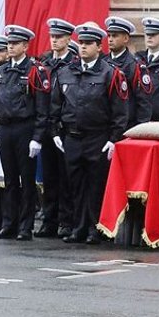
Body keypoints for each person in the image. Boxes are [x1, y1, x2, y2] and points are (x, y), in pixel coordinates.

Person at [49, 23, 128, 244]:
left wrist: (114, 139)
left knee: (95, 185)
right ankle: (78, 227)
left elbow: (120, 110)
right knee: (74, 184)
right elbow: (55, 105)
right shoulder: (66, 72)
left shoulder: (110, 73)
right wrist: (55, 131)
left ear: (98, 46)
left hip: (98, 137)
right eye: (81, 43)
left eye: (88, 43)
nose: (83, 47)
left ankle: (95, 228)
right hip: (72, 137)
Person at [0, 25, 50, 241]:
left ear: (25, 46)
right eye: (9, 43)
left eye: (15, 44)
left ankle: (25, 226)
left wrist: (37, 137)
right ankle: (8, 224)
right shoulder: (0, 71)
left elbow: (42, 108)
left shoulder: (35, 71)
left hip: (25, 128)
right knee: (9, 179)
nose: (10, 47)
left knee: (27, 180)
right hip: (5, 128)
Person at [36, 18, 76, 238]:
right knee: (49, 176)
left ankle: (66, 221)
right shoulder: (44, 62)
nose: (54, 41)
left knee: (66, 177)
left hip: (64, 126)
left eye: (59, 37)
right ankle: (49, 220)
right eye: (52, 37)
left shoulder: (73, 63)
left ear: (68, 39)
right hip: (46, 125)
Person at [105, 16, 147, 129]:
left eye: (115, 35)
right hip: (104, 126)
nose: (110, 39)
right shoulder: (102, 62)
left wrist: (139, 129)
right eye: (109, 35)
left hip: (126, 126)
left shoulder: (135, 65)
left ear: (125, 38)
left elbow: (143, 102)